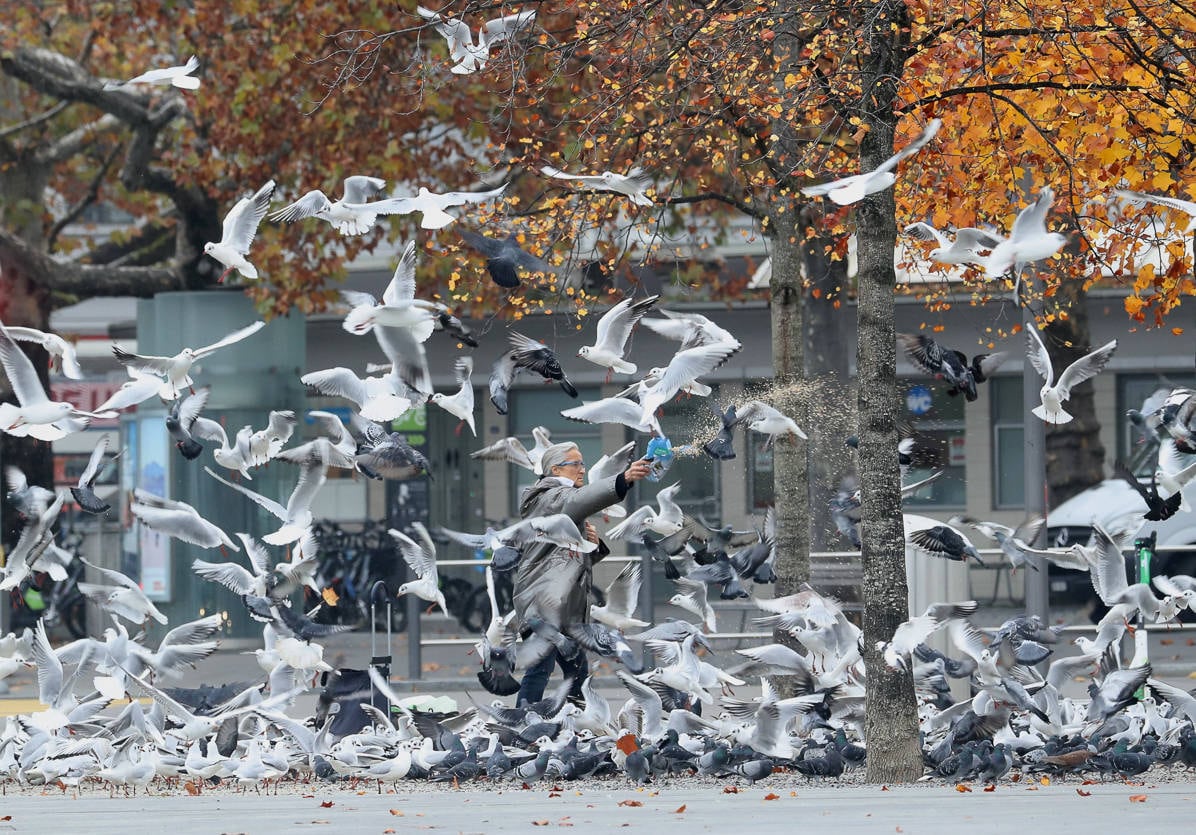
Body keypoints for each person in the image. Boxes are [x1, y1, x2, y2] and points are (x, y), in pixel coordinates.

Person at [512, 441, 651, 705]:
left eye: (582, 463)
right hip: (544, 604)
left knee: (577, 672)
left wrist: (593, 546)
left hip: (565, 609)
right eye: (575, 464)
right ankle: (521, 725)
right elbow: (578, 500)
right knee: (540, 669)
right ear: (555, 469)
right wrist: (623, 479)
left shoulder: (564, 504)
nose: (582, 470)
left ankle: (576, 725)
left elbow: (571, 562)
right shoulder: (547, 498)